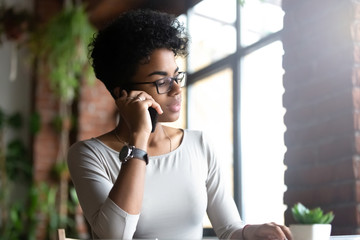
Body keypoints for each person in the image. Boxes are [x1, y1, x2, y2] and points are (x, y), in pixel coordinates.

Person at [67, 8, 292, 240]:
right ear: (123, 93)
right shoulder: (88, 154)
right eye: (162, 81)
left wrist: (252, 232)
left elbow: (228, 230)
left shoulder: (199, 145)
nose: (177, 89)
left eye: (176, 77)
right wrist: (140, 137)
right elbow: (114, 236)